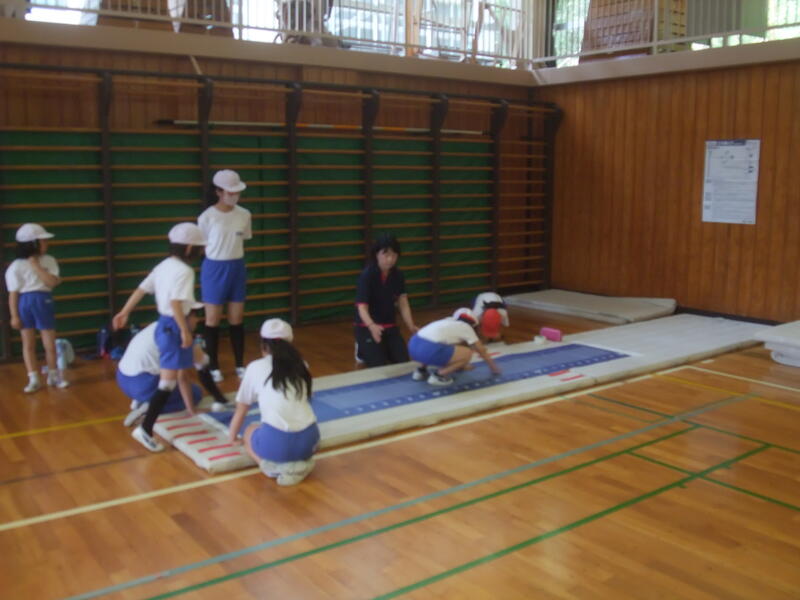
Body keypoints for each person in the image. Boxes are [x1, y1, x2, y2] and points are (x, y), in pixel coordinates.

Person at [112, 222, 206, 452]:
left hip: (163, 325)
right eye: (200, 247)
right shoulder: (185, 271)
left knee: (168, 381)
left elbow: (141, 289)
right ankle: (145, 428)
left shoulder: (164, 265)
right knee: (169, 383)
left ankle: (146, 418)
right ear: (189, 248)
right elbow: (175, 303)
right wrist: (184, 330)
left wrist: (124, 311)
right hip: (173, 324)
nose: (202, 251)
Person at [228, 318, 319, 486]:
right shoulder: (302, 365)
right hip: (310, 440)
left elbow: (242, 408)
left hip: (278, 443)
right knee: (276, 433)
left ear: (263, 345)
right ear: (290, 345)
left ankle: (271, 467)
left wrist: (232, 437)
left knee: (250, 430)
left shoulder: (255, 367)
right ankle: (300, 463)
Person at [118, 306, 232, 428]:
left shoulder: (159, 325)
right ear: (184, 319)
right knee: (195, 393)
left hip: (123, 379)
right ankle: (148, 408)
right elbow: (182, 377)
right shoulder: (177, 338)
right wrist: (192, 409)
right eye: (194, 316)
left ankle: (142, 400)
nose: (197, 320)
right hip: (142, 384)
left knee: (178, 386)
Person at [198, 169, 252, 383]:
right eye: (230, 192)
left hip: (237, 267)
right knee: (212, 319)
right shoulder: (207, 217)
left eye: (237, 192)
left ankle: (239, 364)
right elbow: (203, 245)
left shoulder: (244, 214)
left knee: (236, 319)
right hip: (214, 268)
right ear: (218, 192)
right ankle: (213, 366)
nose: (234, 196)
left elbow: (242, 239)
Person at [5, 223, 68, 392]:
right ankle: (33, 377)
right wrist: (14, 316)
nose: (46, 244)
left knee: (49, 343)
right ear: (32, 244)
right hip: (25, 302)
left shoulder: (49, 260)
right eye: (42, 241)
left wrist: (36, 265)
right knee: (28, 344)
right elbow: (13, 293)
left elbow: (51, 282)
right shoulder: (16, 266)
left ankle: (53, 375)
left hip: (43, 300)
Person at [354, 233, 419, 367]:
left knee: (403, 362)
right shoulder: (367, 276)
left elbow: (403, 302)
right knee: (378, 364)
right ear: (376, 254)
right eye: (386, 255)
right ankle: (361, 350)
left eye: (394, 255)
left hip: (389, 325)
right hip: (367, 326)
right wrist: (372, 326)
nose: (390, 259)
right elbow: (362, 307)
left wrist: (411, 325)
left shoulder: (398, 275)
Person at [408, 307, 501, 386]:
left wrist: (462, 366)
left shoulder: (447, 321)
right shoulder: (466, 327)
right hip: (428, 350)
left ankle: (421, 371)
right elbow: (481, 350)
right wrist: (494, 368)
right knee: (467, 353)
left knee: (436, 345)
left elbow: (450, 351)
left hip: (413, 344)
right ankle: (439, 375)